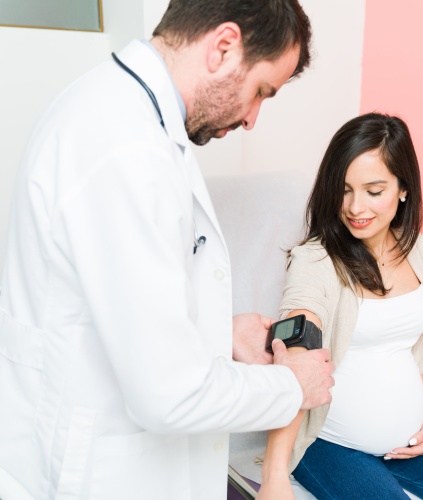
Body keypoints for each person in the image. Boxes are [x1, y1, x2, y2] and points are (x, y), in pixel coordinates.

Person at [0, 1, 335, 499]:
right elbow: (168, 392)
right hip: (96, 474)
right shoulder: (125, 150)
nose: (252, 118)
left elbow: (117, 317)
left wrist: (221, 336)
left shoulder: (131, 119)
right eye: (261, 91)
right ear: (223, 47)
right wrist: (294, 388)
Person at [257, 113, 423, 499]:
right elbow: (299, 351)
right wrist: (274, 475)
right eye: (343, 189)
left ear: (403, 189)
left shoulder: (417, 249)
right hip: (331, 446)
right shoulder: (315, 260)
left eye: (373, 190)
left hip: (412, 440)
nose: (354, 207)